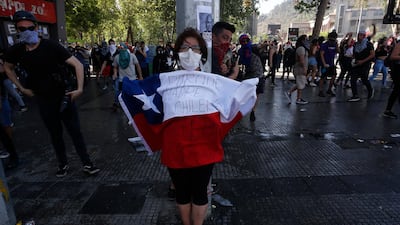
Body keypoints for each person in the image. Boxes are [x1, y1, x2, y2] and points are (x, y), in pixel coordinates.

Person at [3, 10, 100, 177]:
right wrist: (21, 87)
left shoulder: (51, 46)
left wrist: (80, 88)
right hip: (43, 99)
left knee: (75, 132)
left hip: (64, 96)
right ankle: (63, 164)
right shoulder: (17, 50)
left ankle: (87, 163)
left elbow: (77, 64)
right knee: (55, 135)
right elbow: (7, 67)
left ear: (37, 28)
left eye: (30, 27)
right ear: (17, 30)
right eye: (22, 28)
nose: (27, 31)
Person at [238, 34, 264, 121]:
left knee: (254, 94)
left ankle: (252, 111)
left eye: (246, 41)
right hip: (252, 75)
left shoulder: (245, 50)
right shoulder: (248, 49)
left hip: (254, 75)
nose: (245, 42)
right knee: (250, 94)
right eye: (243, 41)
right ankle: (244, 111)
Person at [112, 42, 143, 108]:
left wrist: (140, 76)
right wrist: (115, 73)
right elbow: (115, 67)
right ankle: (118, 103)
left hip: (128, 79)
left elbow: (137, 66)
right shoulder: (118, 57)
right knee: (121, 92)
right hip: (126, 79)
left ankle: (119, 103)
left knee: (129, 93)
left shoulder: (131, 56)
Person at [347, 30, 375, 102]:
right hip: (356, 64)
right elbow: (354, 53)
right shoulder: (356, 44)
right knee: (353, 79)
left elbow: (372, 55)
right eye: (358, 35)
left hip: (365, 64)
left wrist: (363, 61)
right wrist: (353, 60)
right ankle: (355, 95)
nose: (359, 37)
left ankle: (370, 90)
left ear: (364, 36)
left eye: (361, 35)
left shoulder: (368, 44)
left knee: (364, 79)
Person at [285, 34, 309, 104]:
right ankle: (298, 99)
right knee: (301, 84)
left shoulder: (301, 48)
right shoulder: (301, 49)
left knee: (300, 84)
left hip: (300, 68)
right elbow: (301, 60)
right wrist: (304, 68)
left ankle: (290, 92)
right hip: (300, 69)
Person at [383, 38, 400, 119]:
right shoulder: (399, 44)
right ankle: (388, 110)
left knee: (396, 91)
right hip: (397, 70)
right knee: (397, 90)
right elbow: (392, 56)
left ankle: (388, 110)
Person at [318, 30, 339, 97]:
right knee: (323, 77)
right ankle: (320, 91)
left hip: (331, 63)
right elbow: (321, 54)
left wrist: (336, 45)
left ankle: (329, 89)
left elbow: (338, 51)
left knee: (334, 75)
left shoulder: (334, 44)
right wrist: (324, 64)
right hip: (325, 64)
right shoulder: (325, 45)